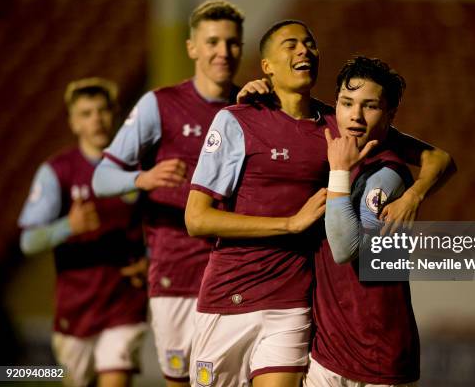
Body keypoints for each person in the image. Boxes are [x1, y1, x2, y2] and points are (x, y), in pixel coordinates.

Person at [185, 20, 453, 387]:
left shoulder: (341, 123)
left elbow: (437, 158)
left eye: (309, 43)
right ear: (266, 66)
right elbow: (196, 219)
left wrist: (413, 196)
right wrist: (290, 223)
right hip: (229, 293)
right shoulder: (238, 119)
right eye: (290, 44)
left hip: (292, 304)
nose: (303, 50)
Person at [91, 0, 244, 387]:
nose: (222, 52)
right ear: (192, 47)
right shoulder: (160, 105)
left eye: (231, 42)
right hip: (175, 274)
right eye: (212, 42)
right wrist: (141, 179)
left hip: (235, 272)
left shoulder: (252, 108)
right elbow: (102, 178)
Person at [18, 78, 148, 387]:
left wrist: (151, 260)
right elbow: (27, 241)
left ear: (116, 114)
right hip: (75, 310)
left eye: (103, 111)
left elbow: (163, 225)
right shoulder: (57, 172)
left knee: (115, 378)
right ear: (74, 122)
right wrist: (68, 226)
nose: (96, 120)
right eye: (86, 113)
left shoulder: (138, 169)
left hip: (124, 304)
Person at [306, 56, 426, 387]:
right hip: (329, 353)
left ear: (390, 115)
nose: (355, 116)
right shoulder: (335, 150)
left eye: (369, 106)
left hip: (378, 358)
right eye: (347, 103)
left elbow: (345, 248)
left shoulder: (388, 175)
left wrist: (339, 172)